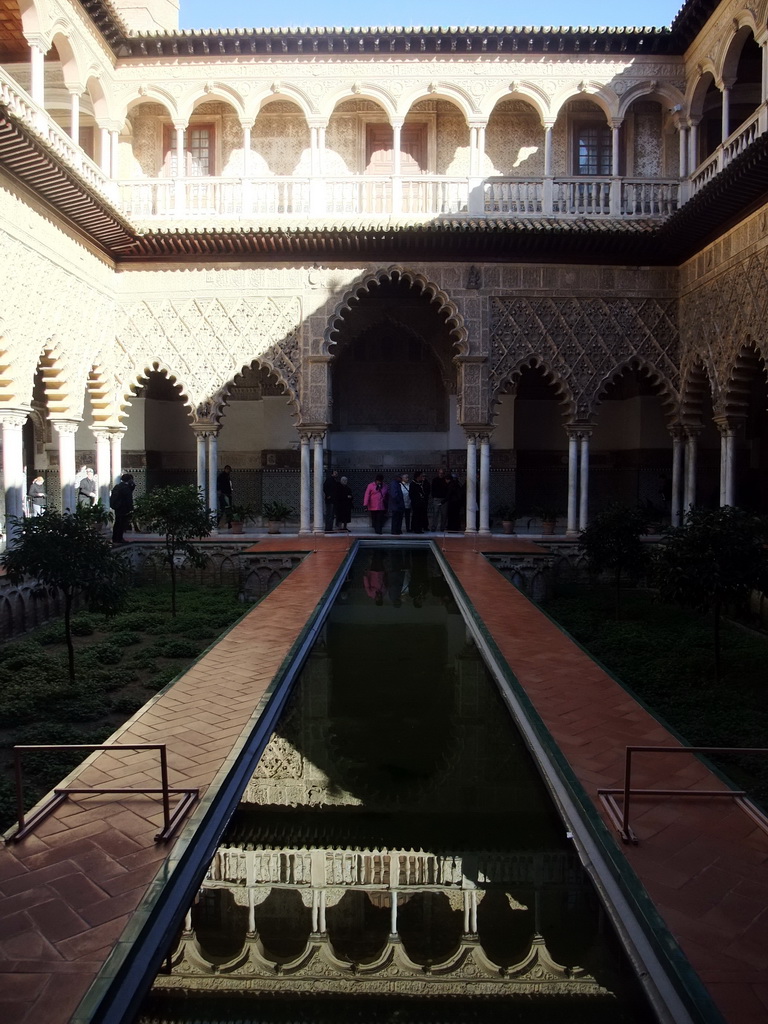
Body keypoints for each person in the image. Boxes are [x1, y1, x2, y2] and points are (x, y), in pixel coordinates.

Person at [110, 473, 135, 544]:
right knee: (121, 524)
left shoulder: (117, 486)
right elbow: (129, 499)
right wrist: (131, 509)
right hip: (123, 508)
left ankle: (115, 538)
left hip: (117, 508)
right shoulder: (125, 488)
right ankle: (119, 538)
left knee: (117, 522)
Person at [430, 467, 449, 532]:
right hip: (437, 498)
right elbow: (432, 489)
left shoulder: (445, 480)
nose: (441, 474)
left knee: (444, 514)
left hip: (444, 499)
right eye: (440, 473)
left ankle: (442, 527)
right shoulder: (435, 480)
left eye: (442, 473)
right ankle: (434, 526)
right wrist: (434, 496)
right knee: (435, 513)